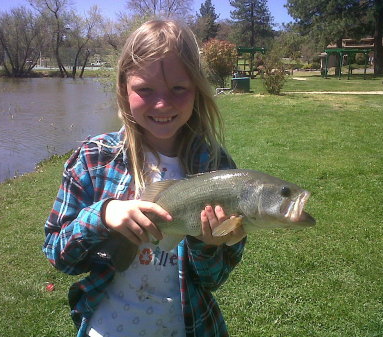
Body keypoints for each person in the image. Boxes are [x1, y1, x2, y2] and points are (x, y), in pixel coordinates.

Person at [43, 19, 247, 337]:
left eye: (178, 89)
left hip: (190, 326)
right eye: (145, 90)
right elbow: (60, 256)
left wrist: (208, 245)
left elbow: (213, 280)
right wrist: (102, 215)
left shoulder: (218, 168)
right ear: (125, 89)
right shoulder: (93, 158)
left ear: (197, 89)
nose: (162, 103)